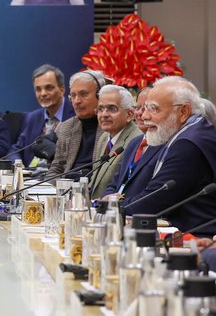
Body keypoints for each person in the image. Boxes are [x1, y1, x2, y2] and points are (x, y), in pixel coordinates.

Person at [121, 76, 216, 236]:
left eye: (154, 109)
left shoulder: (188, 144)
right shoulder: (197, 131)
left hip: (196, 244)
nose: (144, 116)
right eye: (145, 108)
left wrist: (111, 208)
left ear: (183, 111)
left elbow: (151, 202)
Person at [101, 86, 162, 199]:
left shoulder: (165, 144)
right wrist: (107, 198)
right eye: (137, 107)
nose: (139, 113)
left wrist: (118, 204)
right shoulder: (135, 143)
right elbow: (114, 183)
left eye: (146, 108)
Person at [7, 64, 74, 166]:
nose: (43, 93)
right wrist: (18, 165)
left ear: (62, 90)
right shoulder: (32, 118)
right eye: (38, 89)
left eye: (48, 88)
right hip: (30, 176)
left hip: (57, 175)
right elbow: (16, 150)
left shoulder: (75, 115)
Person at [46, 70, 105, 180]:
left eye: (83, 94)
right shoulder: (67, 127)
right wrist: (47, 191)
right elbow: (57, 168)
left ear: (99, 95)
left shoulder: (110, 127)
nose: (77, 101)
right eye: (73, 95)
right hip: (64, 190)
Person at [88, 85, 141, 198]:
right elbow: (95, 180)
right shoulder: (104, 138)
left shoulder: (136, 140)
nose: (104, 115)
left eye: (112, 109)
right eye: (100, 109)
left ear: (129, 115)